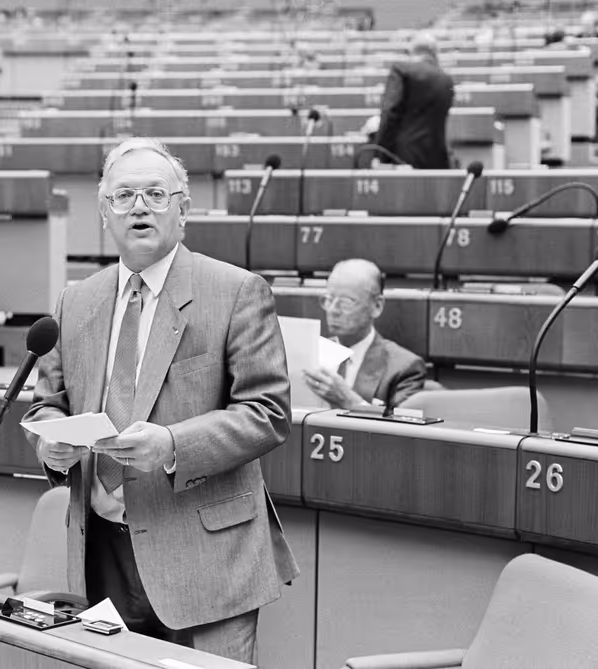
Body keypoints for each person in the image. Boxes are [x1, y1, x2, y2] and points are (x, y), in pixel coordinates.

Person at [22, 137, 298, 664]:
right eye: (123, 196)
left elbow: (267, 413)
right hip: (102, 551)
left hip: (206, 556)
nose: (139, 207)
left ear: (184, 209)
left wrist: (172, 443)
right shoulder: (75, 300)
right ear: (104, 213)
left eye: (155, 193)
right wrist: (50, 446)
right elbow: (48, 403)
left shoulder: (236, 291)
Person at [303, 259, 426, 410]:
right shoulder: (310, 355)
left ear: (377, 306)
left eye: (346, 302)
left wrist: (349, 401)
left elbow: (401, 429)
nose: (333, 310)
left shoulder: (404, 368)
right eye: (328, 300)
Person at [375, 32, 455, 169]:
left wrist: (381, 155)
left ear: (412, 51)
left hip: (403, 159)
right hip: (438, 161)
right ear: (435, 53)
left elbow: (390, 112)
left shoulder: (401, 70)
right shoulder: (447, 80)